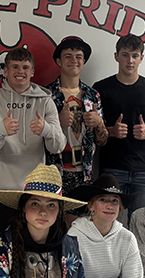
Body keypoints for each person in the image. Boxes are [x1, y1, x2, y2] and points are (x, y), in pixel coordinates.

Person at [0, 48, 66, 241]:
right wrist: (0, 129)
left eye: (25, 67)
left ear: (32, 72)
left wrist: (47, 130)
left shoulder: (45, 101)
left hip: (34, 190)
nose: (20, 71)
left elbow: (58, 146)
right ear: (5, 71)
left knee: (31, 245)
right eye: (15, 67)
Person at [93, 34, 145, 217]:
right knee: (108, 221)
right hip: (112, 168)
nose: (130, 60)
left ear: (141, 58)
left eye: (135, 55)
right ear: (116, 56)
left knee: (141, 223)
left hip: (144, 170)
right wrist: (111, 131)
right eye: (125, 55)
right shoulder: (100, 88)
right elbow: (91, 129)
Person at [46, 36, 108, 203]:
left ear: (84, 61)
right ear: (59, 61)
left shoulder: (93, 95)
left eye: (79, 56)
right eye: (68, 56)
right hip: (53, 172)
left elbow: (102, 140)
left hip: (84, 173)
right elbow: (36, 138)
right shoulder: (46, 95)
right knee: (54, 217)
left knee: (81, 218)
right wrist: (57, 123)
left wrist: (99, 123)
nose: (74, 60)